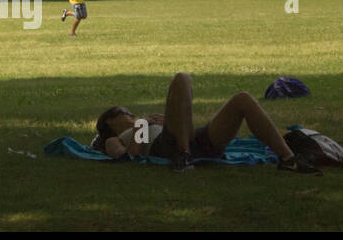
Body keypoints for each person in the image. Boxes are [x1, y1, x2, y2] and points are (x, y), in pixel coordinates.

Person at [90, 72, 321, 174]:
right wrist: (141, 124)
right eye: (125, 113)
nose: (130, 115)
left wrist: (167, 120)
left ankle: (288, 159)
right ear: (111, 120)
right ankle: (184, 155)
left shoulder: (145, 123)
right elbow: (131, 155)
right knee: (181, 77)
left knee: (242, 99)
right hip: (167, 146)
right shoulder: (114, 137)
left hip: (189, 139)